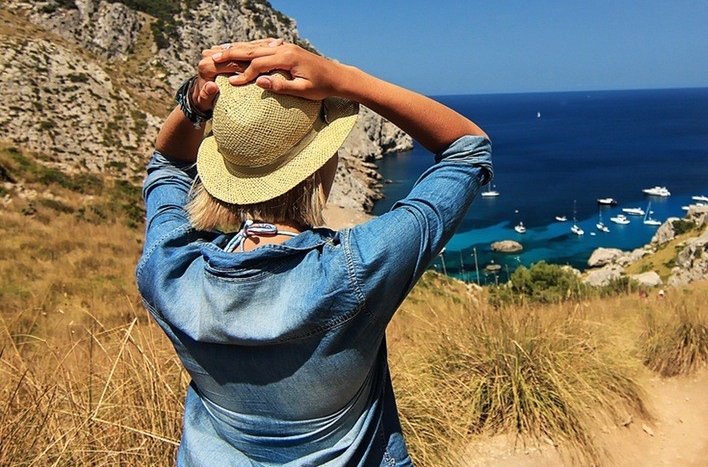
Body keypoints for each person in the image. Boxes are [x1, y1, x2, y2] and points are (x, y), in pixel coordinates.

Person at [137, 38, 491, 466]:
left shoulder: (170, 268)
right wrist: (345, 79)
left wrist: (196, 101)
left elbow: (168, 164)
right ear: (320, 163)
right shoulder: (355, 268)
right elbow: (468, 149)